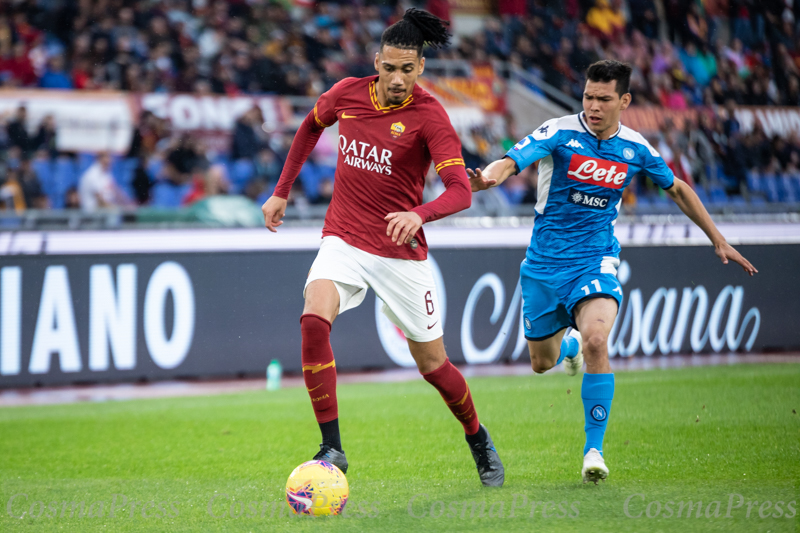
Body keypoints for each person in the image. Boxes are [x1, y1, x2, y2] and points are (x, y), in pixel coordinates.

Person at [468, 60, 756, 485]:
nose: (593, 106)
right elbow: (511, 160)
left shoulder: (637, 148)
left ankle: (593, 450)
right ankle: (569, 348)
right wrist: (489, 178)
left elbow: (676, 188)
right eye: (588, 97)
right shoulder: (559, 132)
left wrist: (717, 238)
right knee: (540, 364)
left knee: (598, 340)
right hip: (544, 265)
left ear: (624, 101)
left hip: (595, 259)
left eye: (604, 99)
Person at [261, 8, 504, 487]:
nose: (396, 78)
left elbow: (459, 189)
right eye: (389, 67)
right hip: (345, 237)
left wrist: (420, 214)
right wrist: (282, 190)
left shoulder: (430, 115)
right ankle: (332, 444)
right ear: (378, 60)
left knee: (434, 366)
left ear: (421, 68)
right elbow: (310, 126)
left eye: (406, 69)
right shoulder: (347, 94)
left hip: (400, 251)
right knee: (313, 318)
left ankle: (478, 438)